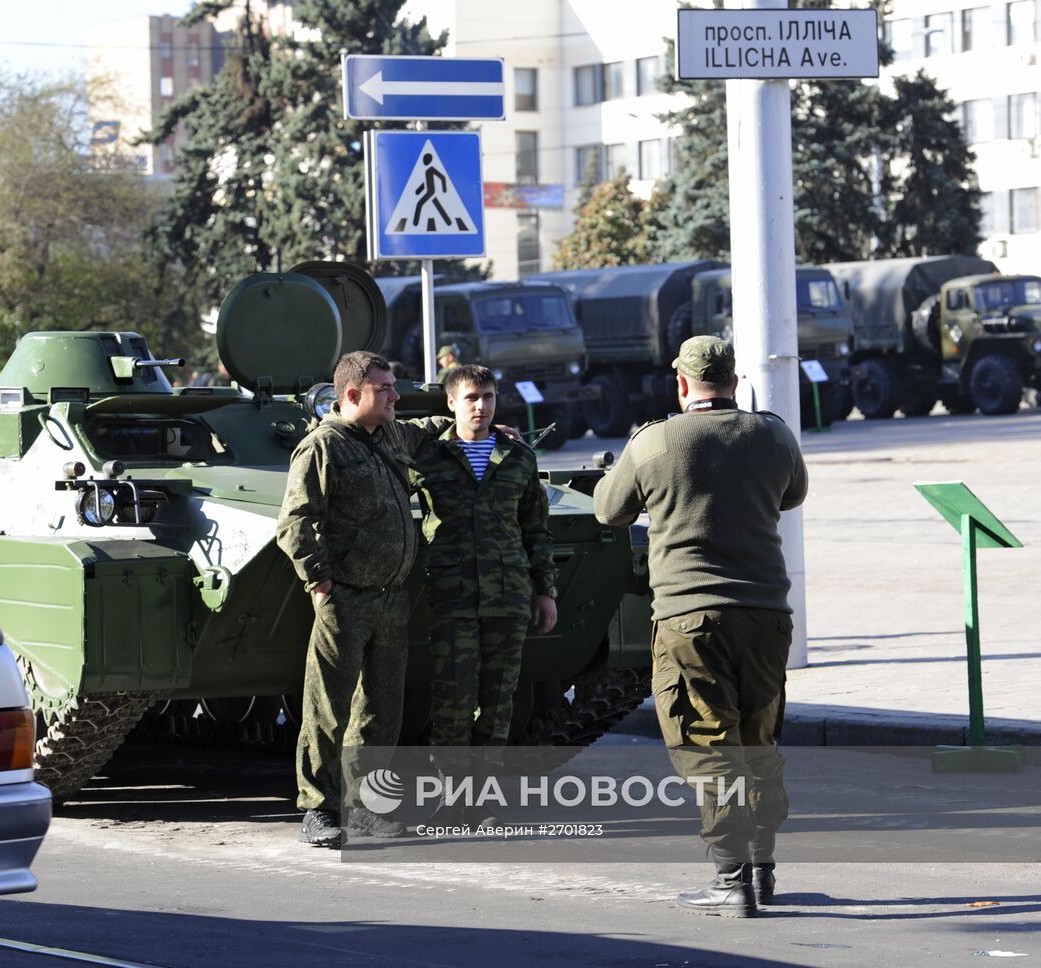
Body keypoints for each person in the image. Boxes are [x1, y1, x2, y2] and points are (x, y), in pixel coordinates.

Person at [593, 336, 808, 919]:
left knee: (708, 744)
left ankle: (732, 880)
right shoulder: (773, 434)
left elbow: (608, 511)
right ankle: (762, 869)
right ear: (734, 382)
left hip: (691, 618)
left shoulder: (654, 441)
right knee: (758, 739)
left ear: (682, 385)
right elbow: (795, 494)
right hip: (767, 614)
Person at [276, 350, 446, 847]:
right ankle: (319, 808)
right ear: (352, 394)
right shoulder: (322, 447)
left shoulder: (389, 433)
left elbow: (426, 427)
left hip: (392, 598)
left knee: (381, 708)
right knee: (328, 707)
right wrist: (320, 581)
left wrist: (469, 424)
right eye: (386, 389)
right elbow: (295, 523)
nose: (396, 397)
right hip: (345, 599)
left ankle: (368, 808)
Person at [412, 364, 558, 760]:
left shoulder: (518, 457)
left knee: (498, 705)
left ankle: (481, 799)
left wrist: (545, 591)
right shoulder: (427, 456)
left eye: (489, 397)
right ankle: (450, 798)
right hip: (452, 597)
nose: (481, 406)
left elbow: (536, 530)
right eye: (471, 398)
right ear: (451, 403)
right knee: (452, 704)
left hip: (508, 596)